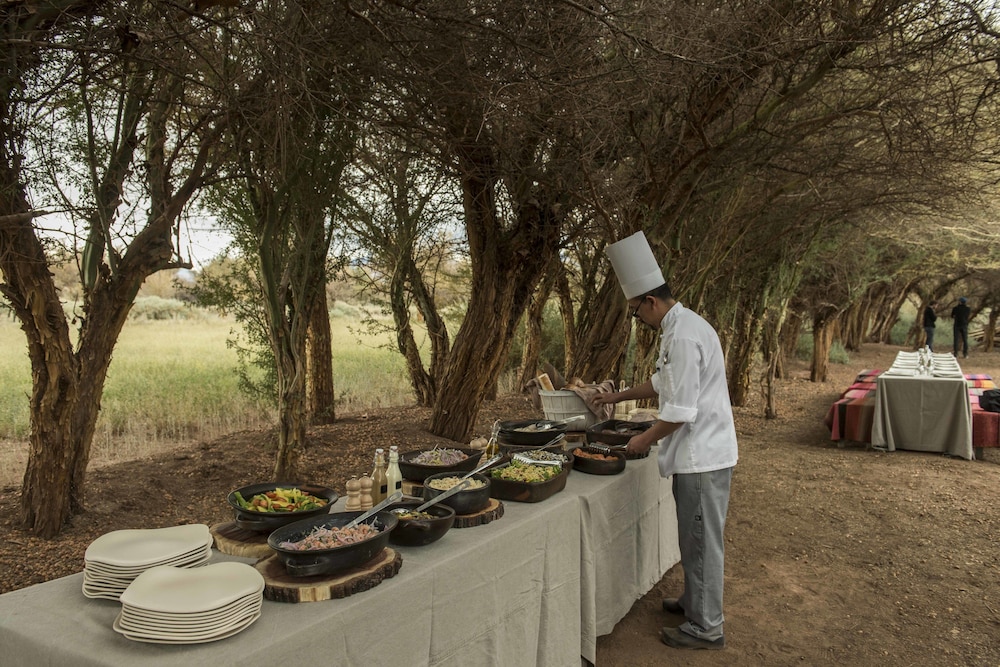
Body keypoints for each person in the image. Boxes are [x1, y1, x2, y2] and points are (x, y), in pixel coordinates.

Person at [594, 231, 739, 651]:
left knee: (702, 541)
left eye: (635, 311)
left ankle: (706, 626)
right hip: (700, 453)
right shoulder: (681, 327)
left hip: (703, 456)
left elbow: (681, 410)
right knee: (695, 537)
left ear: (650, 302)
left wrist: (643, 439)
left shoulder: (683, 335)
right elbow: (662, 383)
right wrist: (616, 397)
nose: (637, 318)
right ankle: (697, 601)